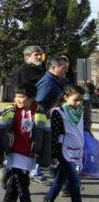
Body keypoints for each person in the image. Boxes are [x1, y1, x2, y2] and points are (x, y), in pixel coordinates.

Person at [0, 82, 50, 202]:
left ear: (32, 99)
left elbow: (47, 136)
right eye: (16, 96)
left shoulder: (41, 112)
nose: (18, 100)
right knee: (22, 183)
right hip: (14, 153)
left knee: (19, 181)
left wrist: (46, 157)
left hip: (29, 154)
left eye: (22, 97)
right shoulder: (10, 111)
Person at [41, 85, 98, 202]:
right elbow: (54, 135)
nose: (79, 103)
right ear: (65, 97)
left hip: (77, 151)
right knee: (75, 182)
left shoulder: (79, 111)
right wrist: (53, 155)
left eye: (82, 100)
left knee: (61, 177)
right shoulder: (57, 112)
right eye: (76, 100)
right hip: (64, 152)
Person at [32, 55, 70, 184]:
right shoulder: (48, 83)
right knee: (42, 147)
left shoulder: (55, 81)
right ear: (54, 68)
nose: (66, 71)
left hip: (49, 120)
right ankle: (35, 172)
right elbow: (38, 103)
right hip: (43, 121)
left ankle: (59, 180)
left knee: (49, 149)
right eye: (63, 68)